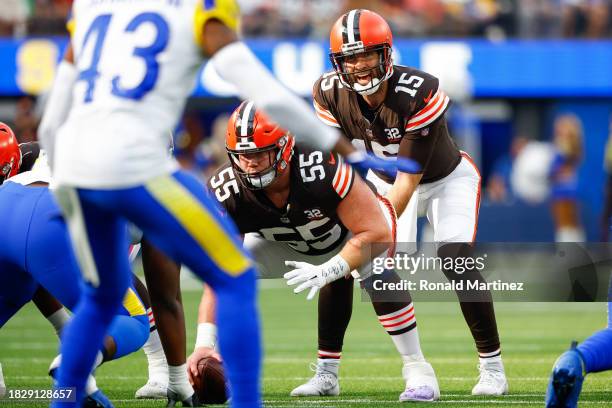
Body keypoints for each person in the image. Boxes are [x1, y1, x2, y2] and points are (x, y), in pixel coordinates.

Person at [38, 1, 419, 407]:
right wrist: (345, 149)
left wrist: (64, 182)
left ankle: (65, 399)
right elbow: (266, 93)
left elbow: (51, 118)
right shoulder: (203, 9)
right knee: (233, 275)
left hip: (75, 168)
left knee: (101, 296)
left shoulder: (93, 8)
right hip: (137, 166)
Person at [311, 8, 508, 395]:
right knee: (343, 261)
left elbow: (408, 181)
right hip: (380, 181)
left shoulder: (420, 91)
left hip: (443, 179)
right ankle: (327, 373)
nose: (360, 66)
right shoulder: (328, 92)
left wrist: (370, 237)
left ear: (387, 53)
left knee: (455, 258)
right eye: (350, 58)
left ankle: (492, 368)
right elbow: (335, 161)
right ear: (337, 62)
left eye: (367, 54)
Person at [187, 101, 440, 402]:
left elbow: (377, 233)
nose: (250, 163)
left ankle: (418, 369)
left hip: (354, 231)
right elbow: (220, 273)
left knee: (374, 265)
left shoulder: (322, 166)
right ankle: (182, 371)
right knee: (229, 271)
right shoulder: (226, 190)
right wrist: (203, 344)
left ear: (284, 148)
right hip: (286, 244)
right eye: (242, 155)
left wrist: (331, 268)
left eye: (258, 153)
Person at [0, 125, 152, 407]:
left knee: (25, 278)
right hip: (55, 215)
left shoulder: (35, 154)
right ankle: (76, 362)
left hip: (6, 204)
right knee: (134, 318)